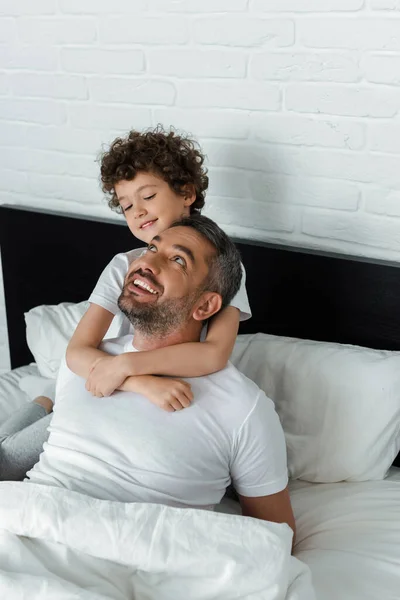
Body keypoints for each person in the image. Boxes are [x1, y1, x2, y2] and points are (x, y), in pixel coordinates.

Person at [0, 126, 251, 481]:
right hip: (102, 381)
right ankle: (45, 401)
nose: (137, 211)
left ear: (187, 192)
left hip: (136, 377)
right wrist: (135, 378)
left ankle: (47, 400)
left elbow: (213, 353)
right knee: (6, 461)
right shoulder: (125, 265)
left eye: (147, 196)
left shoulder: (221, 267)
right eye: (127, 205)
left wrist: (130, 367)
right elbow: (79, 353)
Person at [26, 215, 295, 540]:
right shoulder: (84, 363)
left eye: (177, 259)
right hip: (30, 525)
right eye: (151, 248)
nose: (146, 262)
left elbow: (275, 536)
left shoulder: (242, 407)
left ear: (206, 305)